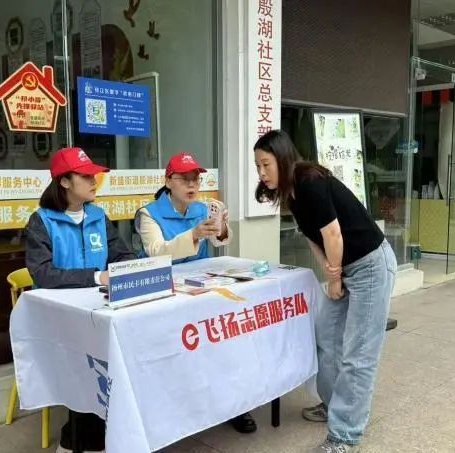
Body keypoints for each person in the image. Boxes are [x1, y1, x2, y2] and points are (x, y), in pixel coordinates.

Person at [254, 130, 397, 453]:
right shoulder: (291, 194)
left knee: (358, 354)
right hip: (344, 266)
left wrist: (334, 279)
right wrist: (330, 272)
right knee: (326, 338)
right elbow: (313, 237)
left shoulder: (309, 182)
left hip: (370, 266)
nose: (261, 173)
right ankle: (334, 404)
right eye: (257, 166)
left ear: (283, 159)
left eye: (265, 164)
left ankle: (344, 436)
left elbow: (333, 234)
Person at [135, 152, 258, 434]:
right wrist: (192, 235)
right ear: (168, 181)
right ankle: (174, 411)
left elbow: (220, 241)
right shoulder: (148, 214)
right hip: (163, 290)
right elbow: (156, 251)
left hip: (201, 287)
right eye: (184, 179)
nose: (192, 185)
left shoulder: (203, 209)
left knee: (226, 341)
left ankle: (234, 404)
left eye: (196, 179)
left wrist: (222, 228)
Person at [25, 147, 134, 453]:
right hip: (58, 316)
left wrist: (126, 270)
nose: (93, 181)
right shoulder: (41, 221)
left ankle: (96, 434)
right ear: (64, 182)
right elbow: (43, 273)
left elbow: (123, 255)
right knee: (91, 359)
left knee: (122, 348)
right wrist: (97, 276)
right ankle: (79, 438)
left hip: (98, 309)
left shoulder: (98, 216)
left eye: (93, 175)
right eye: (85, 176)